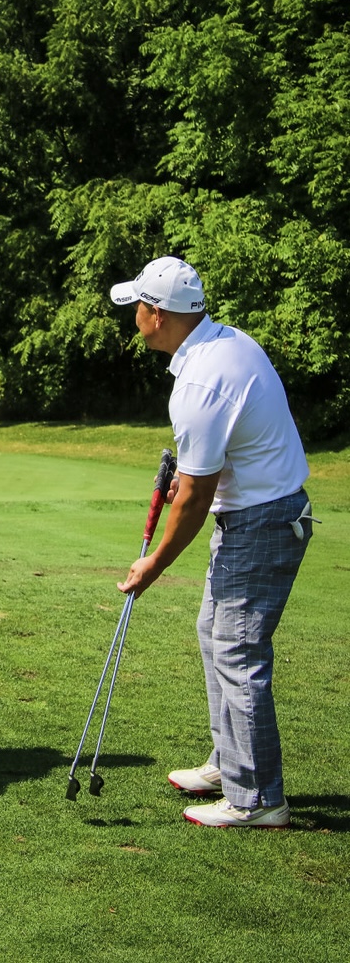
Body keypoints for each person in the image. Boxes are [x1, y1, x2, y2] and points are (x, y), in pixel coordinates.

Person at [110, 256, 317, 828]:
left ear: (156, 314)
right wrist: (192, 478)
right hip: (260, 512)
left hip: (261, 522)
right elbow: (216, 460)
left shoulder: (200, 381)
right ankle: (230, 763)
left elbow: (196, 498)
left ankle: (257, 799)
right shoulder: (225, 341)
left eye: (137, 307)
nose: (134, 316)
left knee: (238, 651)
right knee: (216, 634)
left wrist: (153, 564)